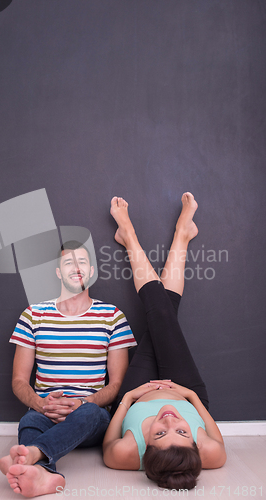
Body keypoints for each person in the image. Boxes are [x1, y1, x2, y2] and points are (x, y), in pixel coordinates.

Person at [103, 193, 226, 490]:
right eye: (183, 433)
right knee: (163, 314)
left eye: (159, 433)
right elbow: (214, 433)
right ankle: (164, 236)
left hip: (137, 390)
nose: (170, 421)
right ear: (194, 446)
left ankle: (138, 236)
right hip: (184, 390)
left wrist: (130, 398)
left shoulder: (126, 455)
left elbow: (108, 442)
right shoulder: (211, 454)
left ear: (146, 449)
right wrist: (189, 397)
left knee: (162, 314)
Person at [0, 240, 137, 497]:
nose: (76, 267)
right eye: (68, 262)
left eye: (82, 261)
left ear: (92, 271)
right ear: (58, 271)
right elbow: (19, 380)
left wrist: (84, 402)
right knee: (29, 420)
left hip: (90, 417)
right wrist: (42, 405)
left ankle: (32, 455)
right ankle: (41, 474)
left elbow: (117, 384)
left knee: (92, 414)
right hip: (45, 411)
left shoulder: (112, 316)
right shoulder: (33, 315)